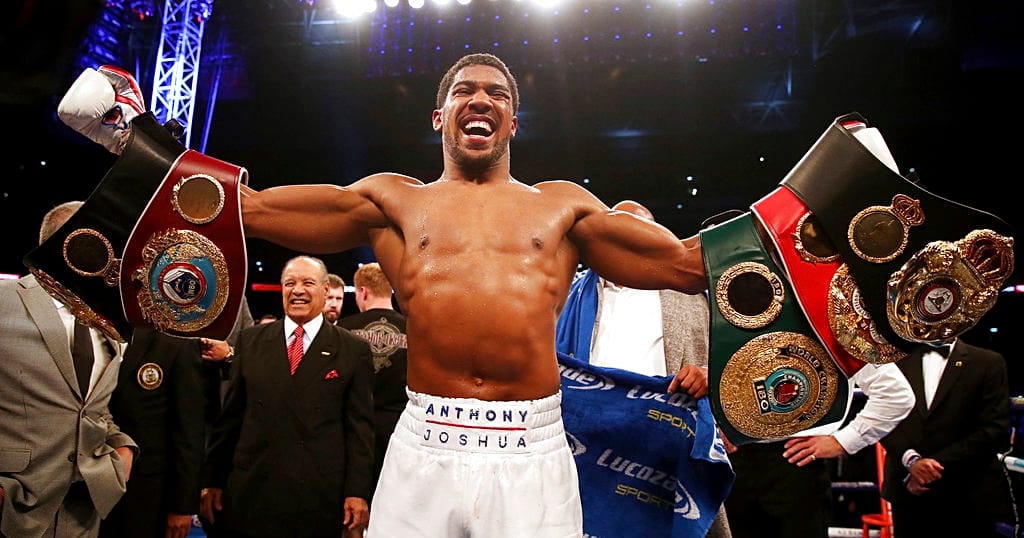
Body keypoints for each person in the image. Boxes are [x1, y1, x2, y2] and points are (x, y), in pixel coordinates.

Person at [233, 52, 706, 537]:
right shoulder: (394, 203)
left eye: (496, 94)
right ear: (439, 117)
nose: (480, 99)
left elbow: (685, 264)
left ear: (512, 124)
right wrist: (182, 174)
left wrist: (763, 224)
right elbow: (251, 210)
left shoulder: (564, 208)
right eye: (464, 91)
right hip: (424, 443)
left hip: (531, 448)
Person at [555, 199, 731, 536]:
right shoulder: (567, 293)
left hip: (669, 443)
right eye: (620, 233)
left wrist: (712, 379)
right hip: (588, 447)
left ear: (658, 237)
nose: (630, 242)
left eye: (640, 232)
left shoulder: (695, 293)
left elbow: (736, 361)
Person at [199, 255, 375, 538]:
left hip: (317, 496)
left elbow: (359, 429)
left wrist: (357, 491)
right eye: (290, 283)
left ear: (325, 290)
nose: (298, 290)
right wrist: (213, 479)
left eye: (307, 283)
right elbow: (230, 419)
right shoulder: (251, 340)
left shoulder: (353, 349)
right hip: (252, 490)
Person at [0, 201, 137, 538]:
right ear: (67, 242)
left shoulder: (109, 322)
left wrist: (122, 448)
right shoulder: (4, 300)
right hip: (12, 507)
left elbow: (90, 408)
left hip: (83, 511)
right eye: (105, 240)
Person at [722, 361, 915, 538]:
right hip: (727, 459)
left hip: (797, 463)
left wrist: (843, 441)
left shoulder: (842, 332)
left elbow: (896, 394)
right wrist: (711, 423)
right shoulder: (720, 332)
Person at [881, 339, 1012, 538]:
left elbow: (993, 429)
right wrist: (911, 461)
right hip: (908, 491)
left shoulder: (987, 362)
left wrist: (930, 466)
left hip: (967, 492)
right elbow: (879, 419)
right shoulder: (893, 360)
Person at [99, 328, 206, 538]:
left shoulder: (176, 341)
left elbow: (189, 430)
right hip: (85, 486)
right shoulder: (89, 330)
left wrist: (182, 505)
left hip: (147, 493)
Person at [337, 262, 408, 501]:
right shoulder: (413, 330)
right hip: (400, 431)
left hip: (351, 430)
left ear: (363, 291)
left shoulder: (343, 330)